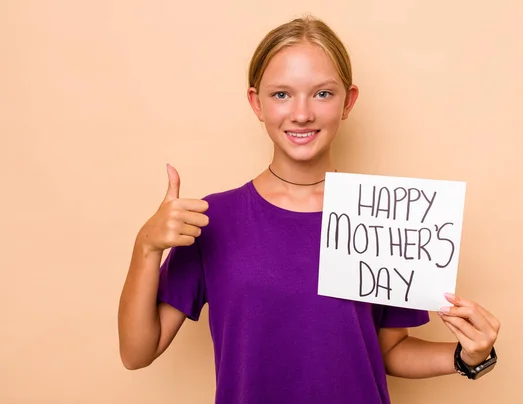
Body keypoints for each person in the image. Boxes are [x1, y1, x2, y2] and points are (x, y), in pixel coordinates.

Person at [117, 14, 501, 404]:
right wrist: (145, 247)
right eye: (281, 94)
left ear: (348, 101)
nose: (301, 113)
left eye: (322, 93)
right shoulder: (211, 221)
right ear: (257, 103)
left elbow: (389, 350)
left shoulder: (381, 216)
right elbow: (137, 353)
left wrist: (470, 356)